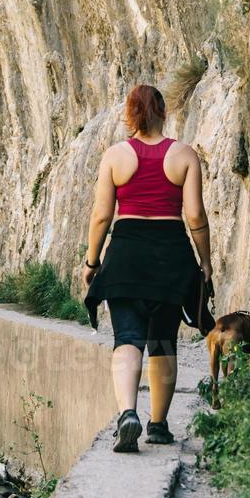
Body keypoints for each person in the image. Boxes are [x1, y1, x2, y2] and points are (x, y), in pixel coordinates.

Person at [82, 84, 212, 453]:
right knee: (162, 340)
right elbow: (195, 216)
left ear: (131, 114)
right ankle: (158, 425)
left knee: (127, 338)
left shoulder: (116, 156)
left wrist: (92, 262)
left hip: (125, 254)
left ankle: (128, 414)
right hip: (171, 255)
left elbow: (102, 215)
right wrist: (205, 261)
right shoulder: (184, 155)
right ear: (162, 111)